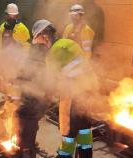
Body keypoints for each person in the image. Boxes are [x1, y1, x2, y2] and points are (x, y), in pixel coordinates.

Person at [32, 19, 96, 158]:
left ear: (45, 36)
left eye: (40, 41)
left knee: (68, 132)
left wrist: (41, 109)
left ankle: (64, 155)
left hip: (72, 98)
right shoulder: (70, 43)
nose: (41, 45)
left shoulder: (53, 55)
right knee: (84, 130)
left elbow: (51, 86)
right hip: (88, 95)